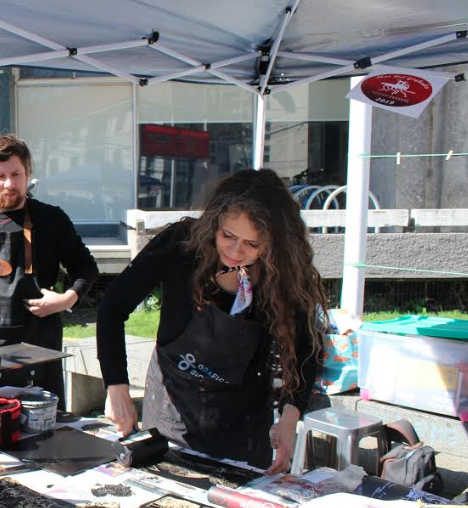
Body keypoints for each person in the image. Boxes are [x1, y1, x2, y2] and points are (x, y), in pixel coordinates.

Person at [97, 169, 327, 474]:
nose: (235, 251)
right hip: (171, 411)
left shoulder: (284, 275)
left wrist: (290, 416)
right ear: (214, 222)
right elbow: (112, 307)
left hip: (243, 426)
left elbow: (304, 349)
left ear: (273, 244)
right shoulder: (179, 245)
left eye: (252, 244)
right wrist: (117, 387)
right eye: (227, 236)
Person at [0, 134, 99, 402]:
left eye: (16, 174)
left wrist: (66, 300)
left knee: (39, 426)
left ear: (28, 174)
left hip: (37, 342)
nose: (10, 184)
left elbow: (86, 267)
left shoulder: (52, 219)